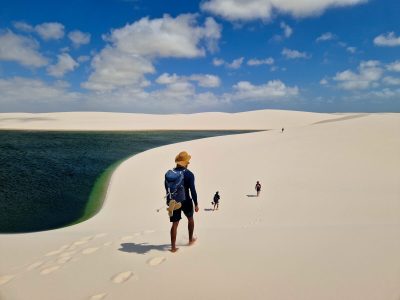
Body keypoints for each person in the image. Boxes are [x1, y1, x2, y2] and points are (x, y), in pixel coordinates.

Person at [165, 151, 199, 253]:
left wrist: (169, 201)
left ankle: (173, 247)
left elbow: (167, 188)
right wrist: (196, 203)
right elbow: (192, 190)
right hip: (186, 201)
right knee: (190, 220)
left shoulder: (170, 174)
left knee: (175, 224)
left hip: (174, 201)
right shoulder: (189, 174)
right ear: (186, 163)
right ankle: (190, 239)